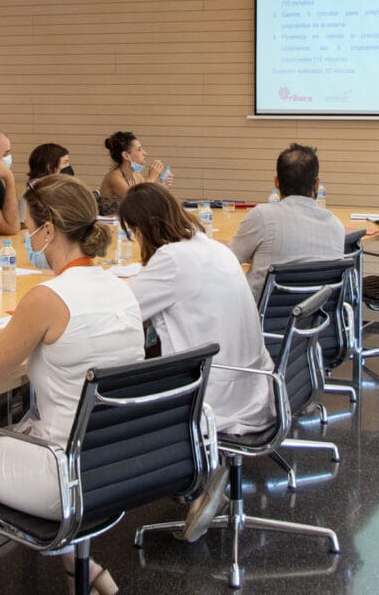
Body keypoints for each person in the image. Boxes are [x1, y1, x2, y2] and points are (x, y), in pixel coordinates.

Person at [0, 174, 141, 595]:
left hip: (59, 474)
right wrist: (4, 335)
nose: (25, 235)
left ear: (48, 231)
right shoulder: (118, 287)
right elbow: (70, 336)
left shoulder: (47, 297)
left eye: (28, 226)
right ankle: (82, 568)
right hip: (113, 462)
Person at [120, 182, 274, 542]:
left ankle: (194, 482)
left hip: (215, 398)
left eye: (133, 232)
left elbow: (122, 309)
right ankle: (197, 481)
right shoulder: (213, 247)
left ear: (142, 229)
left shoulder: (172, 260)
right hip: (254, 383)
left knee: (123, 389)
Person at [229, 143, 346, 300]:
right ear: (316, 185)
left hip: (261, 313)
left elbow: (229, 261)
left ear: (276, 182)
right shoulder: (335, 226)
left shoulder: (262, 216)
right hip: (318, 313)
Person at [98, 131, 171, 215]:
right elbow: (136, 201)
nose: (145, 153)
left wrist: (162, 185)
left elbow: (148, 200)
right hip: (113, 223)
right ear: (126, 155)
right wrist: (151, 178)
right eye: (139, 149)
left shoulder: (136, 175)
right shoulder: (114, 177)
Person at [20, 142, 72, 224]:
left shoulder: (50, 188)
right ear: (49, 167)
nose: (68, 166)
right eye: (65, 162)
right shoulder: (37, 191)